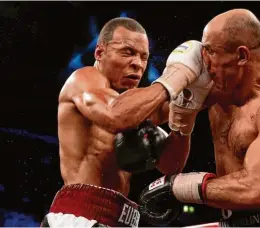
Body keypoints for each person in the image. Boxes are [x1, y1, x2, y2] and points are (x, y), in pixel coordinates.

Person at [139, 9, 260, 227]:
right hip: (229, 220)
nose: (203, 60)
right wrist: (174, 80)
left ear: (241, 56)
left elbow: (254, 190)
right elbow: (147, 114)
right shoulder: (218, 91)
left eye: (210, 51)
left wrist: (175, 187)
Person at [40, 17, 211, 227]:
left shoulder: (136, 104)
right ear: (99, 53)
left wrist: (190, 104)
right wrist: (175, 78)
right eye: (128, 52)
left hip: (120, 218)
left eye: (143, 57)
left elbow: (170, 165)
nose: (137, 64)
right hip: (80, 217)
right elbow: (116, 117)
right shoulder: (83, 79)